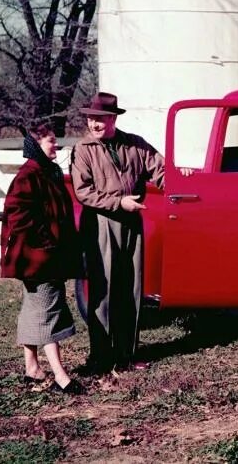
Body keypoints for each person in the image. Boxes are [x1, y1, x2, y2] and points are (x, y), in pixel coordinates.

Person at [70, 92, 165, 374]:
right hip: (100, 222)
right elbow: (83, 191)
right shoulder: (83, 149)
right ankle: (101, 357)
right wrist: (118, 202)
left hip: (131, 224)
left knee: (131, 287)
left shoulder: (134, 144)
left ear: (112, 119)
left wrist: (182, 181)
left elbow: (160, 169)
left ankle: (127, 354)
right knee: (103, 289)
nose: (94, 124)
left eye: (100, 119)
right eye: (90, 118)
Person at [1, 123, 86, 394]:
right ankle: (61, 377)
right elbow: (18, 216)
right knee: (49, 311)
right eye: (51, 141)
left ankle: (32, 369)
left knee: (34, 310)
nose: (56, 145)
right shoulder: (28, 176)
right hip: (38, 259)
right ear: (37, 144)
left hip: (45, 256)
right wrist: (46, 242)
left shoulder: (48, 172)